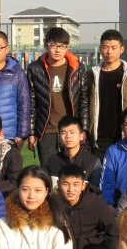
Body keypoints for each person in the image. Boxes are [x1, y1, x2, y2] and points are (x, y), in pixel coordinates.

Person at [27, 26, 88, 165]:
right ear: (46, 45)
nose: (57, 50)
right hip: (47, 130)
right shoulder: (35, 69)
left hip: (70, 128)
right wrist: (32, 132)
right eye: (53, 45)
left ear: (67, 47)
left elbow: (83, 101)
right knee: (49, 170)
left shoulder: (77, 68)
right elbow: (32, 102)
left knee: (72, 170)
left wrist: (83, 129)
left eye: (62, 46)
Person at [58, 164, 119, 249]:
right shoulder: (52, 203)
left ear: (83, 186)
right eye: (65, 184)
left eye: (75, 184)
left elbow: (113, 232)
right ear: (58, 184)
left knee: (114, 245)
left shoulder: (95, 202)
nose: (70, 189)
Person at [86, 29, 127, 159]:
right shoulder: (91, 75)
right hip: (99, 139)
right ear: (100, 49)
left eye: (114, 48)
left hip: (124, 136)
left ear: (122, 49)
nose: (109, 52)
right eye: (105, 47)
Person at [47, 116, 102, 188]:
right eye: (64, 133)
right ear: (59, 137)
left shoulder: (93, 162)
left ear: (81, 136)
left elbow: (96, 191)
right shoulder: (52, 162)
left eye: (72, 132)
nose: (68, 136)